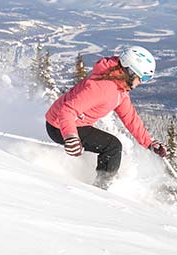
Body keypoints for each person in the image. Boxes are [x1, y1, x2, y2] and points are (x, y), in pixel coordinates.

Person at [45, 45, 167, 189]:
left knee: (111, 145)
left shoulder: (118, 87)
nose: (142, 82)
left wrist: (149, 143)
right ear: (130, 71)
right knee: (112, 147)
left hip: (71, 123)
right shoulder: (104, 88)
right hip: (60, 126)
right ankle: (101, 189)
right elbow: (67, 111)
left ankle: (101, 183)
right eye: (143, 77)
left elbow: (130, 117)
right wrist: (71, 136)